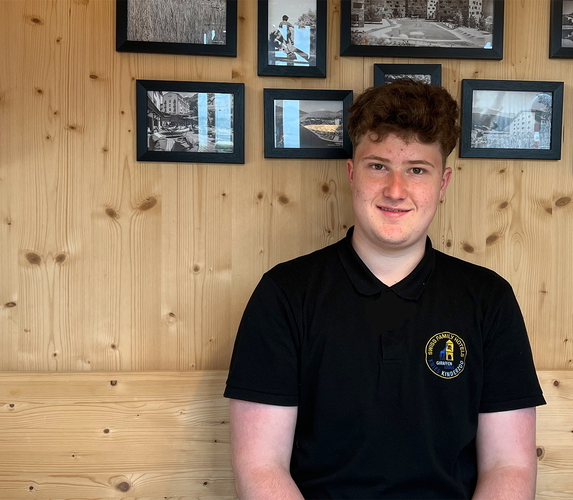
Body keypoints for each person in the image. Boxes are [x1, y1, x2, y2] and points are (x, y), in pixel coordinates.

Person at [224, 79, 545, 499]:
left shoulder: (489, 299)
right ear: (352, 173)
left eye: (417, 170)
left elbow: (510, 466)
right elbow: (260, 467)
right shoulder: (284, 294)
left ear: (443, 183)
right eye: (378, 166)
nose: (395, 190)